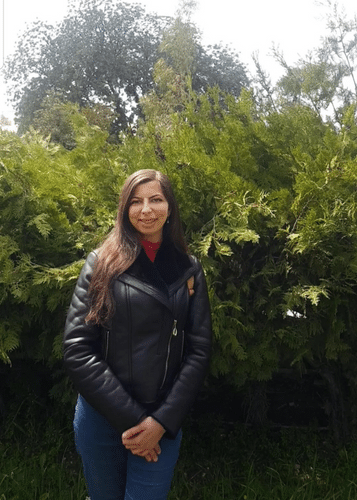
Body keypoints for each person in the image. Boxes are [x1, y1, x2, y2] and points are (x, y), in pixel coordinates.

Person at [63, 169, 212, 500]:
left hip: (162, 418)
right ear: (124, 210)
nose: (146, 210)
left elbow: (199, 350)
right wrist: (135, 421)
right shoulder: (100, 263)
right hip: (102, 416)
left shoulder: (189, 268)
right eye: (136, 201)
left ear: (169, 207)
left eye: (156, 200)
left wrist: (158, 423)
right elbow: (77, 349)